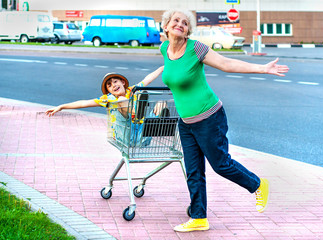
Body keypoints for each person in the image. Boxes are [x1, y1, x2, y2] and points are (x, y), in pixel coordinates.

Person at [160, 9, 289, 232]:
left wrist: (262, 68)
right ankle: (199, 218)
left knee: (221, 165)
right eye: (175, 21)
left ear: (188, 29)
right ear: (166, 26)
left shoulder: (195, 48)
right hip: (186, 122)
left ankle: (258, 184)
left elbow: (227, 64)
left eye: (184, 22)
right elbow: (169, 70)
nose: (180, 24)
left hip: (209, 118)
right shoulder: (164, 48)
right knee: (193, 172)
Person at [45, 66, 166, 146]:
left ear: (122, 82)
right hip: (124, 134)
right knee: (122, 100)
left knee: (162, 103)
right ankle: (136, 109)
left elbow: (148, 79)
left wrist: (163, 67)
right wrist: (61, 106)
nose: (113, 85)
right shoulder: (108, 98)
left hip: (141, 135)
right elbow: (83, 103)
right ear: (108, 90)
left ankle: (159, 120)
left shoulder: (133, 89)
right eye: (109, 85)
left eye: (115, 81)